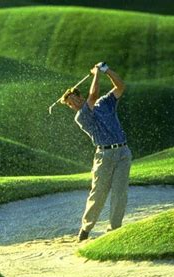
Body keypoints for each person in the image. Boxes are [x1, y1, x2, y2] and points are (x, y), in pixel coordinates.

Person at [60, 62, 132, 241]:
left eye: (74, 100)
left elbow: (120, 86)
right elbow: (93, 95)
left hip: (123, 152)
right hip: (104, 156)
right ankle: (85, 229)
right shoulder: (81, 116)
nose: (74, 105)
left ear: (79, 96)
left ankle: (114, 231)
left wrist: (107, 70)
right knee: (98, 194)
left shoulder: (105, 103)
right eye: (70, 105)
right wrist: (97, 74)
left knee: (119, 193)